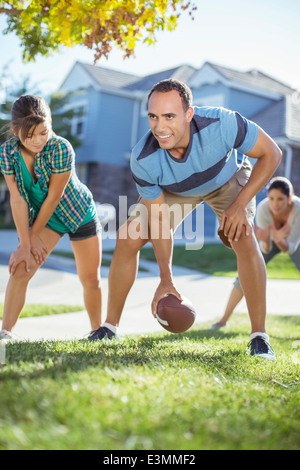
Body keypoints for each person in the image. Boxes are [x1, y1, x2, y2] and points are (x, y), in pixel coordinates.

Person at [89, 79, 281, 361]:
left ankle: (259, 338)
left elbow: (272, 153)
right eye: (153, 117)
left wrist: (240, 205)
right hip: (176, 190)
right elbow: (159, 223)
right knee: (129, 236)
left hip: (228, 179)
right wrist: (166, 280)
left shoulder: (223, 123)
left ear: (189, 114)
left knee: (242, 236)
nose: (160, 127)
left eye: (169, 116)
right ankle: (109, 327)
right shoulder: (144, 159)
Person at [0, 95, 102, 340]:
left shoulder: (60, 147)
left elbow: (54, 197)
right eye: (30, 135)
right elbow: (17, 198)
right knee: (21, 268)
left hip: (77, 212)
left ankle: (99, 333)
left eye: (44, 132)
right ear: (15, 131)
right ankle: (5, 333)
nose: (38, 141)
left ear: (50, 124)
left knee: (90, 278)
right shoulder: (8, 152)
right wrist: (25, 245)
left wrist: (32, 237)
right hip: (48, 220)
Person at [211, 176, 300, 330]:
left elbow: (291, 247)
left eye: (280, 199)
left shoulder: (298, 210)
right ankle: (223, 320)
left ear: (289, 198)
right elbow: (265, 249)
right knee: (248, 272)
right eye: (271, 198)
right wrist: (267, 240)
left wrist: (278, 239)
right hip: (272, 239)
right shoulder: (264, 209)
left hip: (294, 242)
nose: (275, 204)